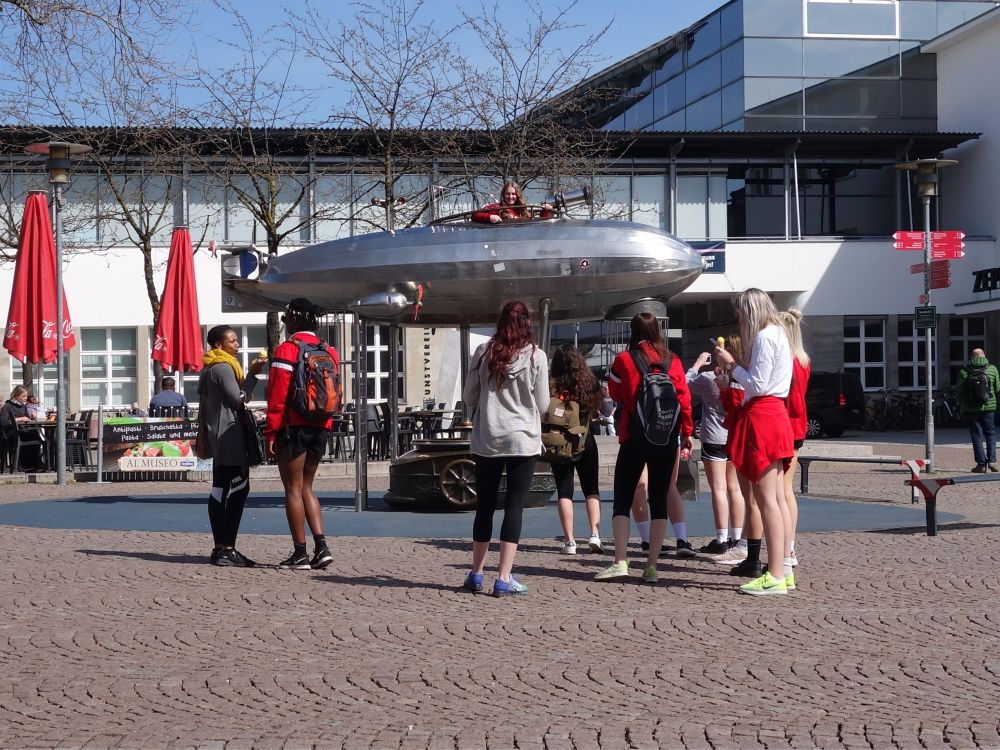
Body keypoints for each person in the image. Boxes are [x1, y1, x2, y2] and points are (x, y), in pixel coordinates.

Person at [595, 312, 693, 584]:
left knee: (622, 501)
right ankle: (651, 566)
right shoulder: (673, 361)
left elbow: (613, 394)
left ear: (633, 332)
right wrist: (686, 432)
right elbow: (684, 400)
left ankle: (620, 562)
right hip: (666, 437)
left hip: (633, 436)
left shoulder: (624, 360)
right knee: (659, 500)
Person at [461, 300, 549, 596]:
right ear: (527, 323)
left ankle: (475, 574)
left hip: (488, 437)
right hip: (522, 439)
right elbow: (543, 404)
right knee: (514, 505)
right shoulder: (537, 356)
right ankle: (504, 576)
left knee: (484, 505)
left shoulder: (484, 352)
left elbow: (469, 397)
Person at [714, 288, 795, 596]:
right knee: (776, 500)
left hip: (763, 415)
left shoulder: (764, 336)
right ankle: (783, 567)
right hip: (776, 414)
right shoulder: (781, 334)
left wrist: (732, 365)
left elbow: (757, 384)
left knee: (768, 501)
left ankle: (774, 574)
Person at [265, 297, 341, 571]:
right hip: (322, 425)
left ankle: (300, 554)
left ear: (294, 321)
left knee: (293, 489)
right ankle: (322, 548)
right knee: (308, 487)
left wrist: (271, 432)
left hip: (293, 426)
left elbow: (277, 396)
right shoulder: (329, 351)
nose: (285, 325)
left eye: (286, 320)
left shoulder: (287, 350)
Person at [198, 325, 260, 567]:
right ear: (218, 345)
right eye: (232, 341)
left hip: (216, 434)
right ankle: (227, 547)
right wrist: (253, 374)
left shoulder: (209, 368)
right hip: (229, 436)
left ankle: (220, 547)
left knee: (219, 489)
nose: (237, 345)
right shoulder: (223, 368)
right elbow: (238, 400)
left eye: (236, 340)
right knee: (237, 489)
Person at [687, 349, 746, 555]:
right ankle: (737, 536)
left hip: (714, 436)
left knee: (719, 489)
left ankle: (721, 537)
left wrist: (697, 363)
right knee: (735, 489)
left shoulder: (708, 378)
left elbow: (684, 384)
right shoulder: (742, 378)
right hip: (734, 435)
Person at [548, 344, 603, 555]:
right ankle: (595, 535)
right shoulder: (588, 381)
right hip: (585, 438)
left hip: (559, 441)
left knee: (564, 491)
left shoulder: (551, 384)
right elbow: (599, 405)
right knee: (591, 489)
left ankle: (570, 542)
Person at [779, 308, 811, 567]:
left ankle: (786, 549)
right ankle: (789, 546)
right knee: (787, 489)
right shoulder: (803, 360)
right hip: (798, 427)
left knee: (781, 491)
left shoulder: (786, 361)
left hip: (785, 424)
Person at [955, 347, 1000, 473]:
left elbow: (959, 390)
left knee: (976, 435)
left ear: (972, 357)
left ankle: (980, 464)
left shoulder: (965, 371)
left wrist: (961, 401)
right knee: (990, 433)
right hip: (989, 407)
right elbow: (997, 388)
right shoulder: (992, 369)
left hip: (970, 408)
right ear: (984, 356)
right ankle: (991, 461)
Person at [0, 386, 43, 471]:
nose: (26, 398)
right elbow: (3, 422)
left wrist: (32, 417)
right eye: (23, 396)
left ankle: (34, 464)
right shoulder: (8, 406)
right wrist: (18, 419)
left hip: (21, 431)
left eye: (26, 396)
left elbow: (26, 418)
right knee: (29, 437)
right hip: (10, 434)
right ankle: (24, 465)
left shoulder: (23, 406)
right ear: (16, 396)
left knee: (35, 436)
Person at [471, 181, 553, 224]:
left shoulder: (524, 212)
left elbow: (540, 225)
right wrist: (489, 217)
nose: (510, 197)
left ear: (518, 195)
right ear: (503, 195)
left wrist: (546, 211)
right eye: (507, 194)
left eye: (513, 194)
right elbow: (475, 215)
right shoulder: (496, 208)